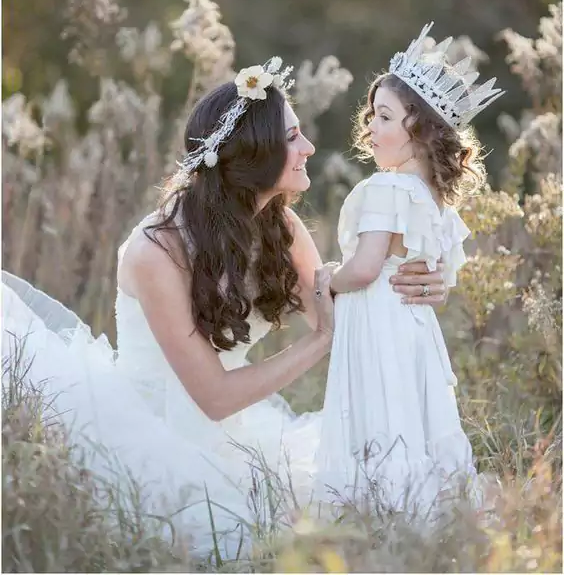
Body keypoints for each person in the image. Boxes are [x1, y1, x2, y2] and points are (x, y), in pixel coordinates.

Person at [2, 55, 447, 557]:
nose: (309, 148)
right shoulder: (158, 250)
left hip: (232, 432)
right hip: (151, 431)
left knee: (337, 517)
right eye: (293, 137)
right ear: (253, 155)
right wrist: (320, 340)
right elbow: (212, 396)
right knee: (247, 538)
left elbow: (342, 306)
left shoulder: (282, 228)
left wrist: (418, 282)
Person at [314, 23, 504, 514]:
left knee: (380, 409)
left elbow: (364, 268)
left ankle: (383, 507)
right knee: (410, 411)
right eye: (372, 116)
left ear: (418, 127)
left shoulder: (386, 188)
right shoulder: (434, 199)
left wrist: (325, 279)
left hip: (377, 323)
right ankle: (422, 505)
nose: (370, 128)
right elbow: (447, 274)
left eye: (384, 117)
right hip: (414, 329)